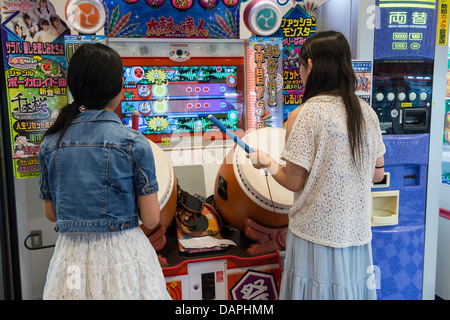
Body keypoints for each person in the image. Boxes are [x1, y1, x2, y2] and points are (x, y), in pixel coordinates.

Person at [247, 31, 385, 300]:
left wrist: (266, 162)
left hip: (315, 234)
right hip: (356, 233)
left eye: (299, 65)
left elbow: (293, 181)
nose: (299, 72)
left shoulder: (306, 113)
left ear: (309, 64)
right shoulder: (366, 112)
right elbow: (377, 174)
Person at [39, 43, 171, 300]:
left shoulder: (50, 142)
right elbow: (152, 219)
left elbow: (51, 214)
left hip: (72, 260)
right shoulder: (134, 143)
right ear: (119, 87)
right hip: (123, 257)